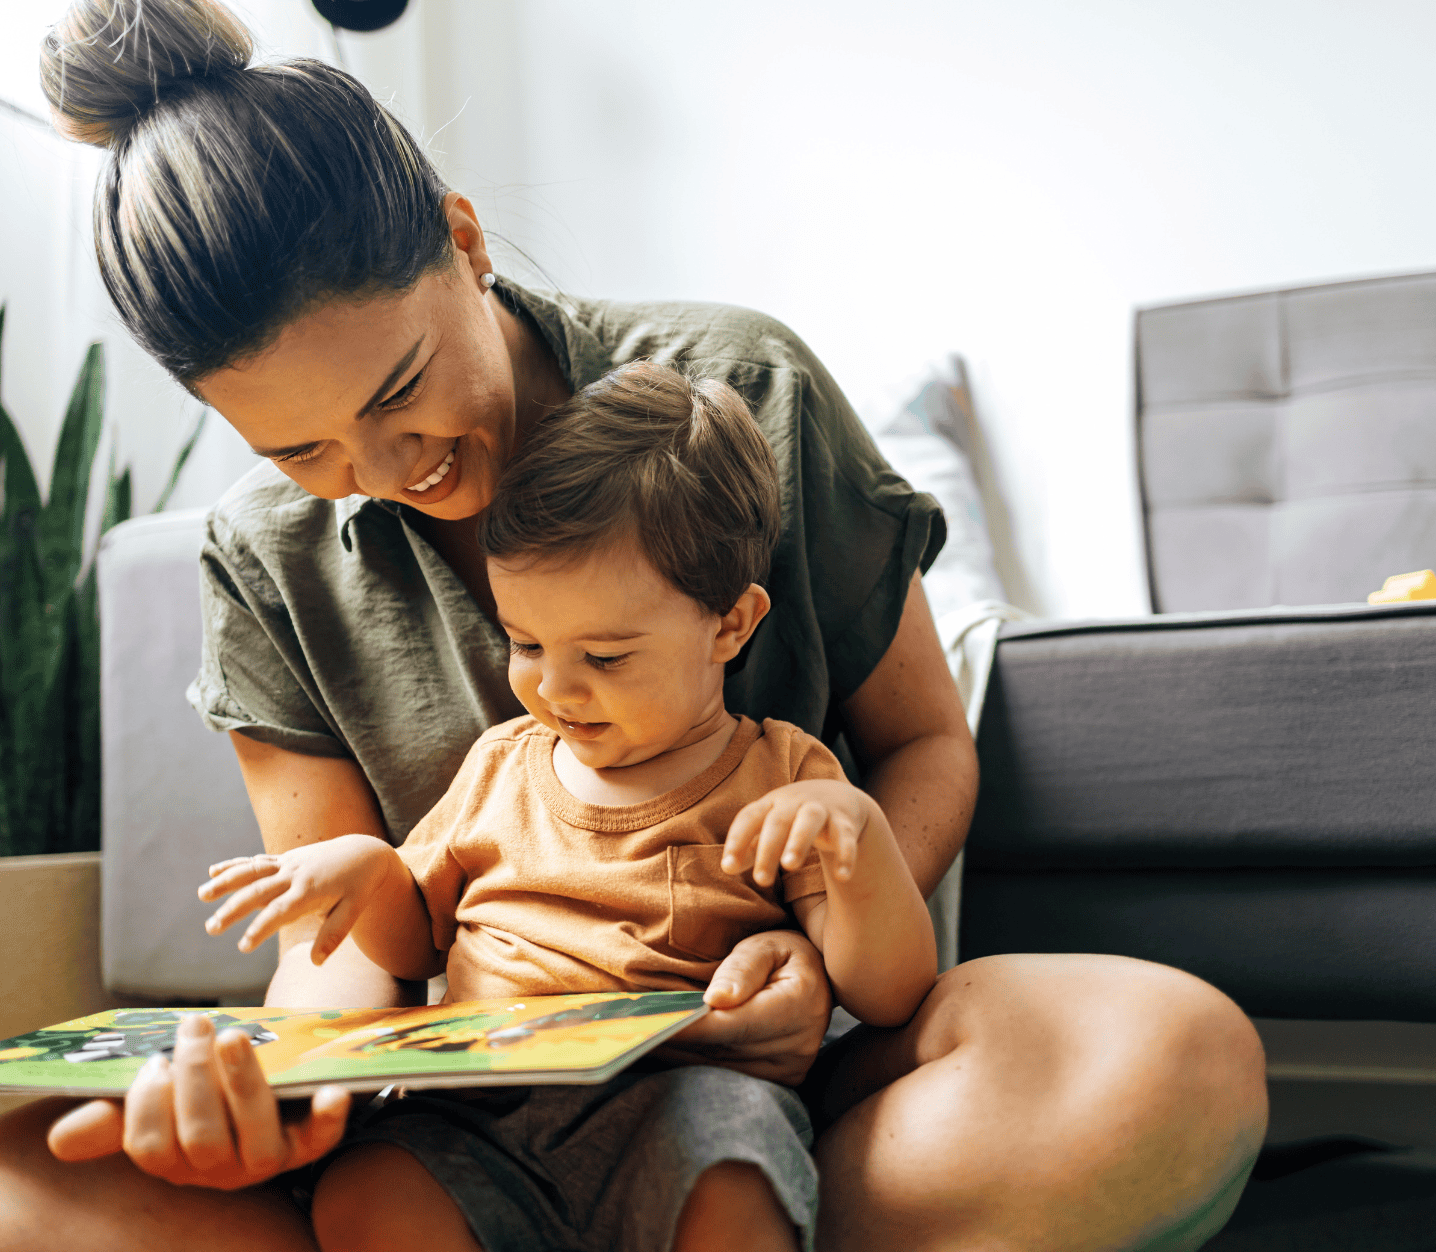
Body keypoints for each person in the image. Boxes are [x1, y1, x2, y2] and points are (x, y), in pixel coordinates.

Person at [0, 1, 1267, 1249]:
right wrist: (284, 1094)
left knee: (1171, 1056)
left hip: (761, 1071)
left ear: (462, 238)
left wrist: (818, 949)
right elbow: (340, 936)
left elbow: (922, 743)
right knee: (24, 1178)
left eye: (400, 391)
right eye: (300, 449)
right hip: (471, 1118)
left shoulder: (743, 390)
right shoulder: (260, 555)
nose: (385, 471)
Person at [196, 360, 940, 1252]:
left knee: (737, 1183)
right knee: (367, 1192)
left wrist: (861, 844)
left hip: (683, 1100)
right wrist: (366, 875)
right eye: (526, 643)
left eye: (606, 657)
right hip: (478, 1109)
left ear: (730, 625)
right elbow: (418, 941)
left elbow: (890, 993)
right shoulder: (500, 766)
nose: (555, 689)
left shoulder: (784, 777)